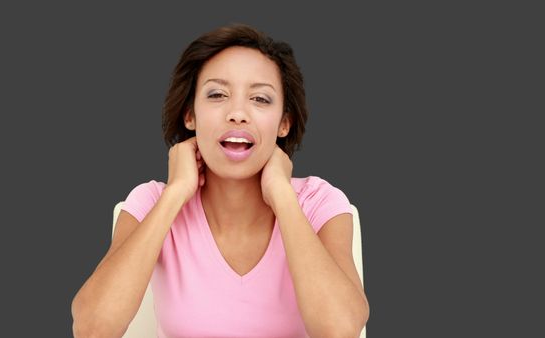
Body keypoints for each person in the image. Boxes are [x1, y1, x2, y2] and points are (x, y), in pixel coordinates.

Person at [71, 23, 369, 338]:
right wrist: (175, 193)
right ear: (190, 116)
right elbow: (93, 328)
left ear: (284, 123)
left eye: (260, 99)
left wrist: (283, 194)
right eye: (217, 94)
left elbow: (340, 329)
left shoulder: (319, 202)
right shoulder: (151, 202)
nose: (237, 113)